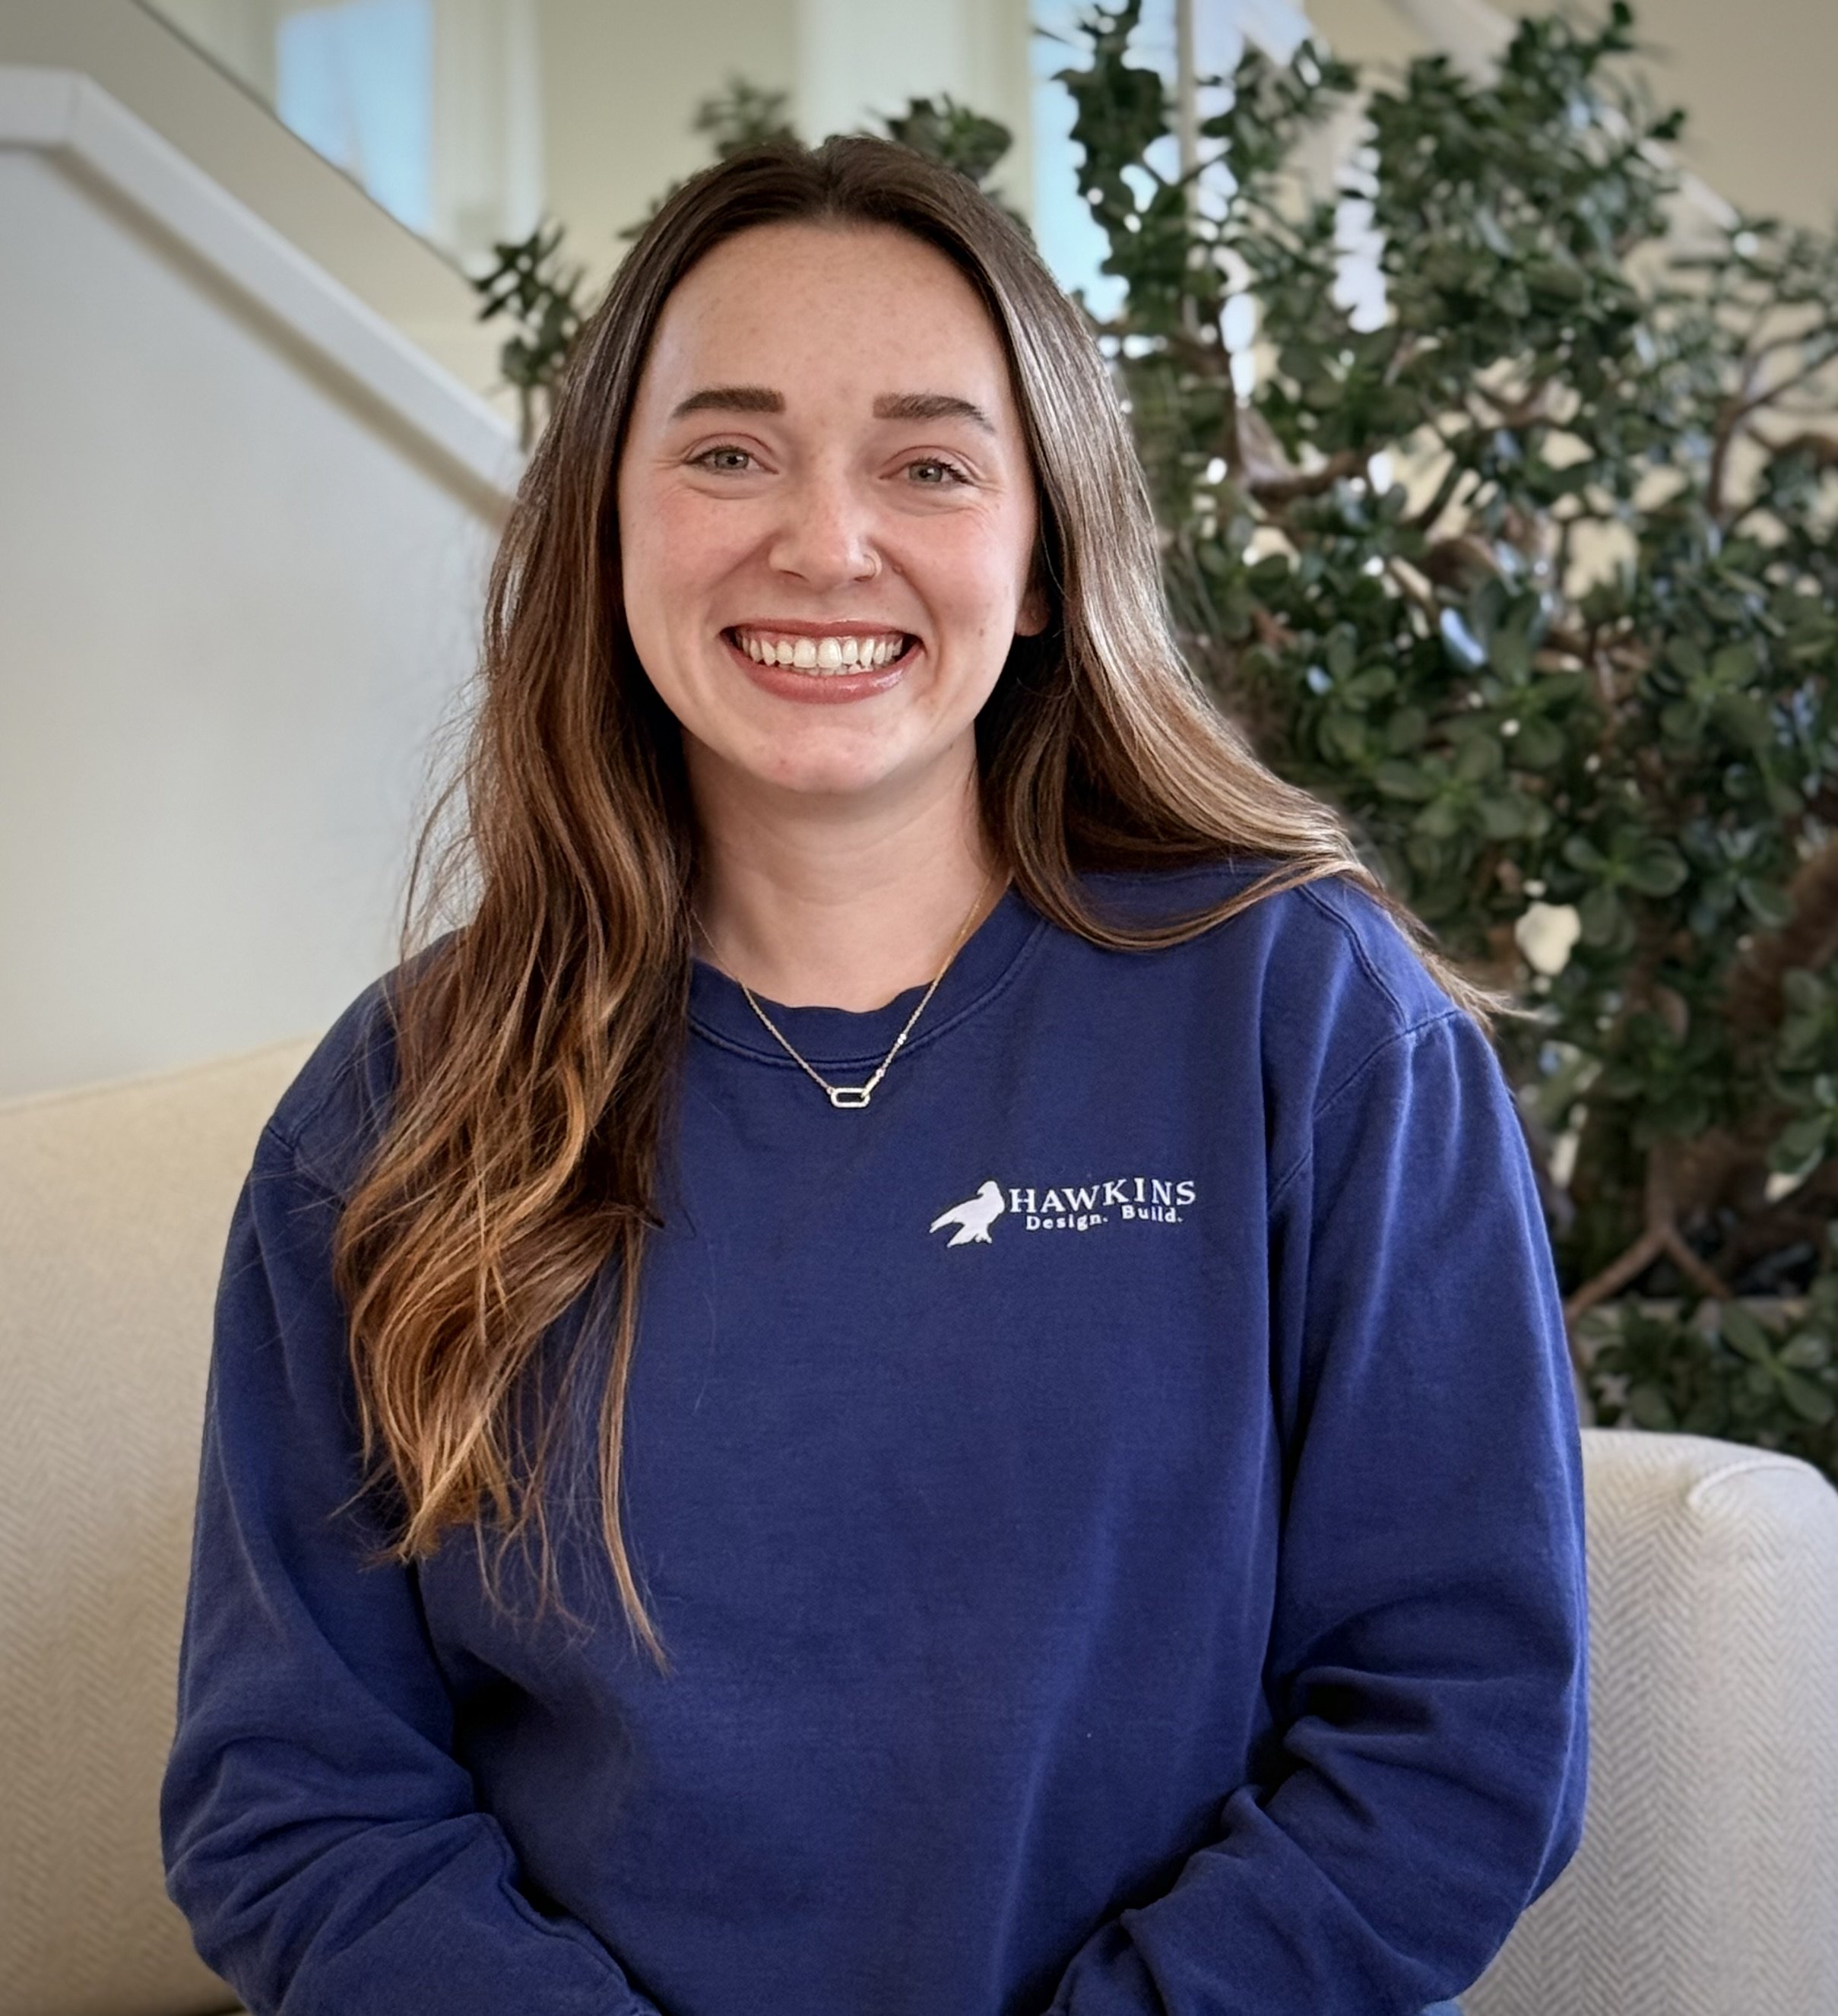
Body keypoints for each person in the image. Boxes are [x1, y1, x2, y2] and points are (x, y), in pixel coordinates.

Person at [160, 132, 1587, 2016]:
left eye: (928, 463)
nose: (824, 542)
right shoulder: (399, 1105)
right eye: (728, 451)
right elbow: (298, 1796)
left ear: (1049, 556)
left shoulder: (1307, 1022)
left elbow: (1461, 1716)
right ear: (606, 527)